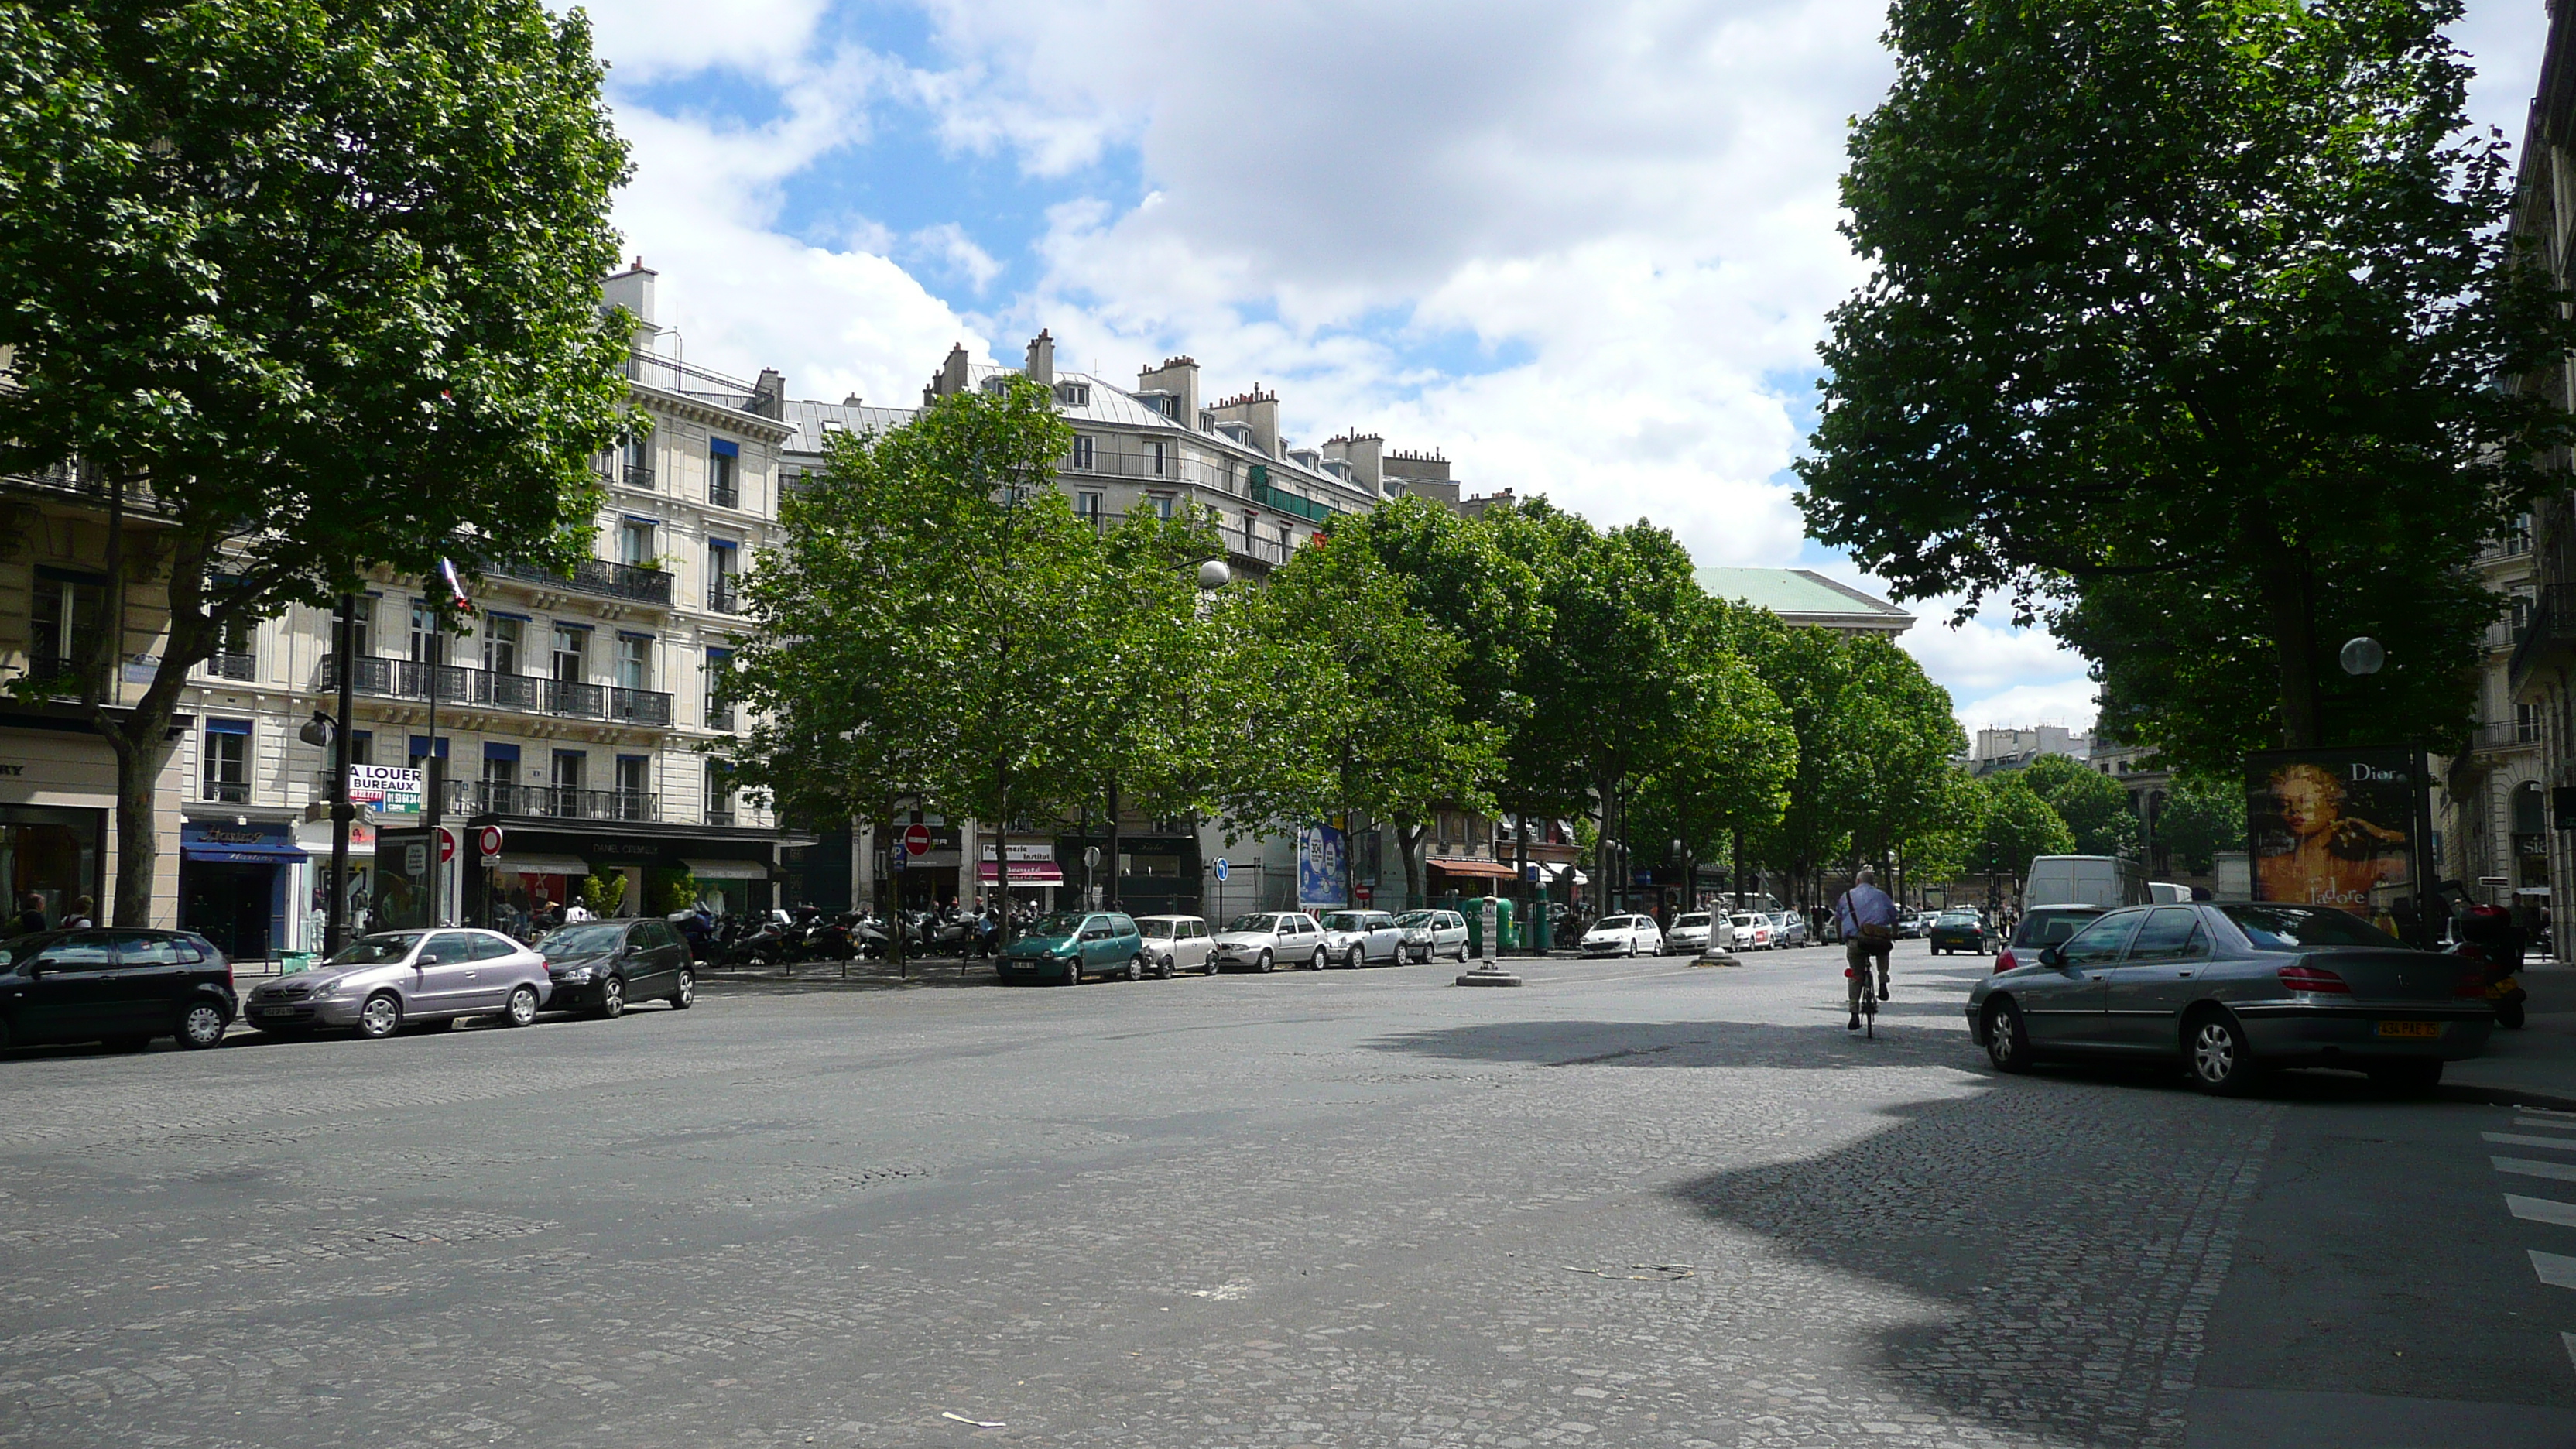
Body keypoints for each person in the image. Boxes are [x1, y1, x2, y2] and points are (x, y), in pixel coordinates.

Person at [1835, 865, 1899, 1032]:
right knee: (1883, 950)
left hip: (1856, 940)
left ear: (1857, 881)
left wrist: (1841, 937)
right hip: (1878, 939)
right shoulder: (1882, 896)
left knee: (1856, 975)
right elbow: (1894, 916)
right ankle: (1883, 980)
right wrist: (1895, 933)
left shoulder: (1847, 896)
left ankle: (1854, 1013)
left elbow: (1838, 918)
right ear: (1874, 883)